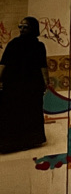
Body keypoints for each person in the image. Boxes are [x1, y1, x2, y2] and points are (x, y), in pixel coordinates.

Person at [0, 17, 49, 153]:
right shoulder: (16, 44)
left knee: (22, 112)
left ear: (33, 28)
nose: (21, 29)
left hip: (27, 86)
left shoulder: (34, 46)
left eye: (25, 27)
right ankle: (24, 141)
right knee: (20, 112)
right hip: (20, 85)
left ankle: (19, 142)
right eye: (20, 26)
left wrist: (46, 83)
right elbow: (3, 64)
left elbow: (43, 66)